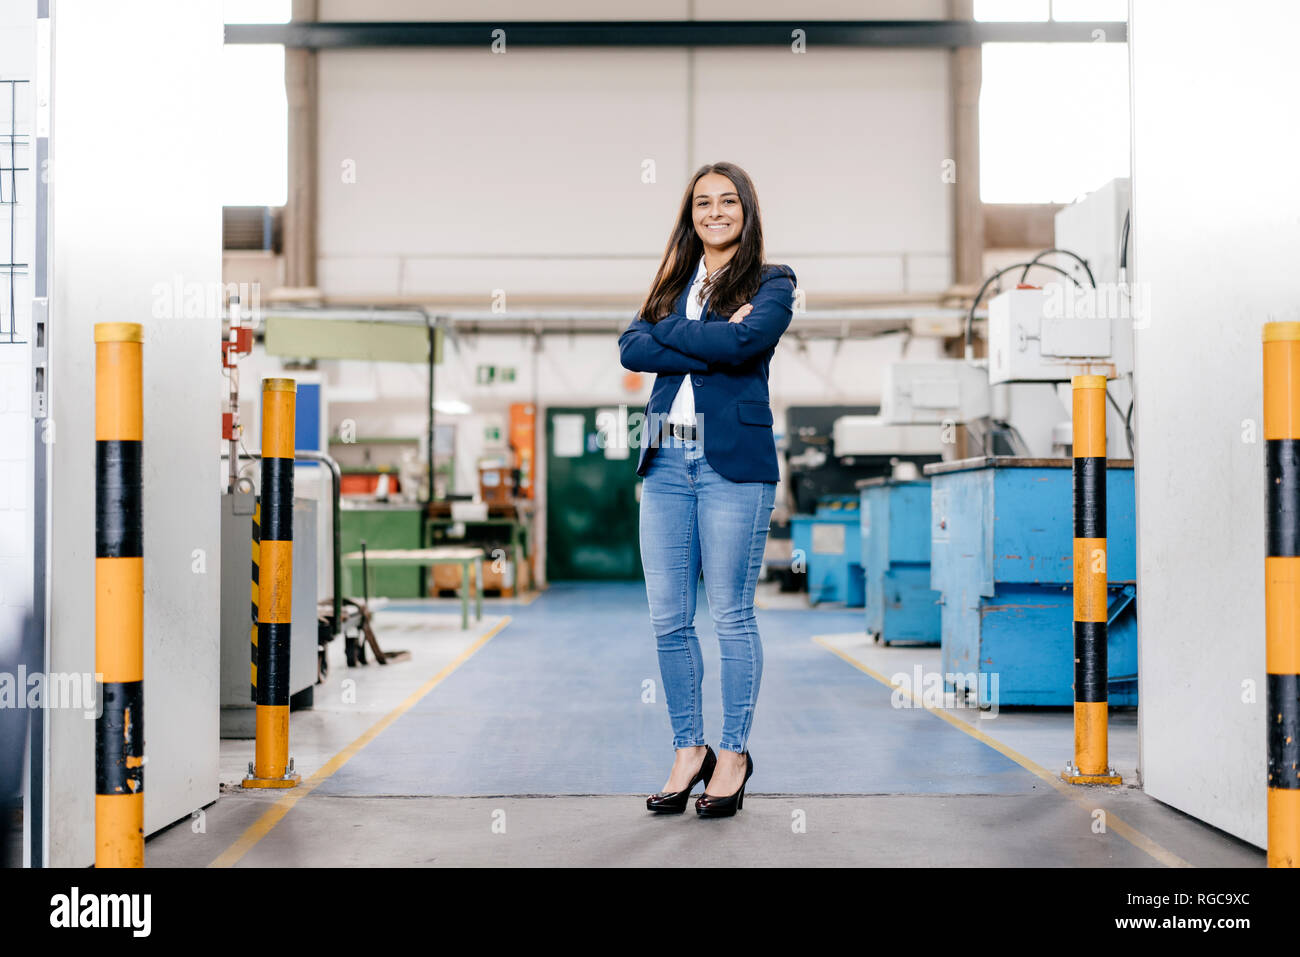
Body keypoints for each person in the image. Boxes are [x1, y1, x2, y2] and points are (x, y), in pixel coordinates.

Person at [618, 161, 796, 818]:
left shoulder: (774, 281)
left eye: (727, 201)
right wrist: (714, 341)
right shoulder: (669, 280)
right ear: (689, 214)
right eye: (702, 202)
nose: (714, 212)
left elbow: (751, 342)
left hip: (733, 463)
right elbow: (631, 350)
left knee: (730, 616)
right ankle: (688, 748)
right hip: (665, 460)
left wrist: (678, 336)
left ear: (746, 210)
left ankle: (733, 752)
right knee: (668, 619)